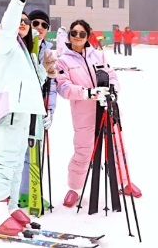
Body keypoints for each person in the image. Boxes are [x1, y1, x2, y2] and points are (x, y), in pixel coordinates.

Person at [0, 0, 52, 236]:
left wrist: (46, 69)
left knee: (16, 165)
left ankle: (12, 206)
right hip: (10, 110)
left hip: (23, 112)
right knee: (6, 162)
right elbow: (10, 22)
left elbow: (33, 83)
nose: (23, 23)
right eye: (21, 20)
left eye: (27, 21)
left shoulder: (24, 51)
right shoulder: (4, 42)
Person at [55, 19, 141, 208]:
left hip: (106, 108)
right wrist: (87, 93)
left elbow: (112, 76)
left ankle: (124, 182)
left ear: (88, 36)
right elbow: (63, 88)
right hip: (83, 112)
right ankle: (75, 188)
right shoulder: (63, 60)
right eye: (73, 33)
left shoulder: (98, 55)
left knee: (116, 147)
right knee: (83, 150)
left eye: (82, 33)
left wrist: (113, 90)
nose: (77, 37)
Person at [17, 9, 58, 208]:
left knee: (33, 150)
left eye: (44, 25)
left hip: (39, 106)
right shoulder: (20, 46)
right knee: (17, 150)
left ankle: (29, 191)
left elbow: (52, 86)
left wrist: (50, 111)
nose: (39, 27)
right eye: (35, 23)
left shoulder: (49, 51)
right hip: (20, 104)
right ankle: (16, 192)